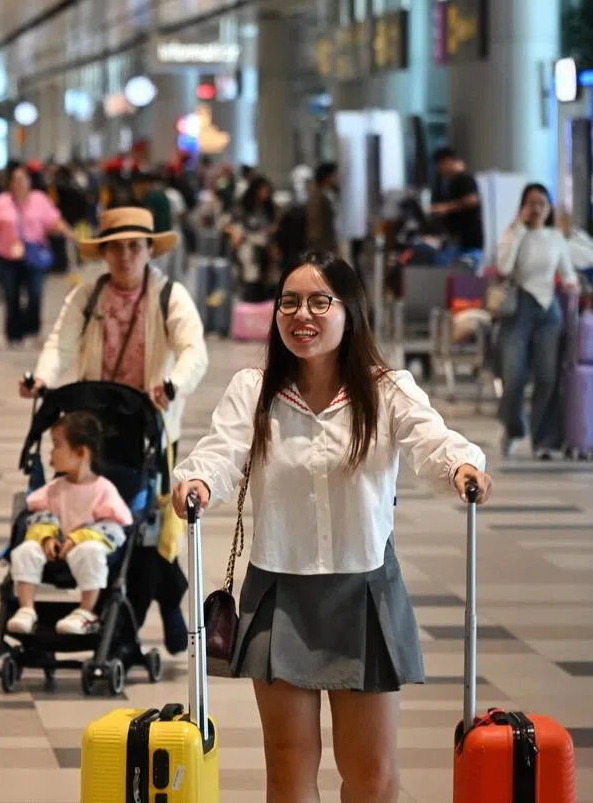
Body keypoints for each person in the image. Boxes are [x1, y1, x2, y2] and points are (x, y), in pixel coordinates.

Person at [171, 252, 492, 803]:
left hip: (364, 592)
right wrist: (197, 481)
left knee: (372, 775)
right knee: (288, 768)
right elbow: (221, 452)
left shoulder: (387, 390)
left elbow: (431, 439)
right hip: (279, 591)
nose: (302, 315)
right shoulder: (254, 389)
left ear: (350, 312)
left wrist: (461, 466)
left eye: (320, 302)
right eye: (289, 302)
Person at [24, 206, 208, 653]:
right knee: (104, 520)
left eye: (134, 247)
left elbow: (193, 349)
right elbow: (60, 342)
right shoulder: (88, 297)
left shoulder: (170, 296)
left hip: (151, 426)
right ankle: (141, 610)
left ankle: (155, 609)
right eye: (116, 248)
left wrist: (173, 384)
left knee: (151, 527)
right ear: (103, 253)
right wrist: (42, 378)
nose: (126, 256)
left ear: (149, 250)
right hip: (96, 427)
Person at [6, 412, 133, 637]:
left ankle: (86, 611)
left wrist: (79, 538)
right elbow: (40, 514)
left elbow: (114, 527)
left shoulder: (103, 490)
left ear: (81, 452)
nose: (51, 452)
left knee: (91, 551)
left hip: (85, 548)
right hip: (55, 548)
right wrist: (46, 536)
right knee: (26, 550)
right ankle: (26, 609)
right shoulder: (54, 488)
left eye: (57, 445)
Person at [496, 183, 577, 459]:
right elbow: (504, 267)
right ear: (523, 207)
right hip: (519, 307)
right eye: (531, 203)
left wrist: (571, 283)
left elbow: (567, 271)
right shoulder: (514, 233)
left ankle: (544, 440)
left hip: (548, 309)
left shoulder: (555, 237)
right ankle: (514, 428)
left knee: (547, 377)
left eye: (542, 203)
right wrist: (518, 228)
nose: (537, 208)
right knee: (513, 377)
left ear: (549, 207)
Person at [0, 162, 72, 347]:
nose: (19, 184)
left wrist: (70, 234)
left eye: (23, 179)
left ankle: (32, 329)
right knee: (11, 295)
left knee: (35, 294)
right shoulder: (1, 202)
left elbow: (54, 221)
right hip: (8, 257)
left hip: (34, 255)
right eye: (15, 180)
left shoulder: (40, 200)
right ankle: (14, 334)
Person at [431, 147, 484, 262]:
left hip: (470, 238)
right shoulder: (446, 182)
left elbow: (473, 200)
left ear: (448, 161)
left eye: (440, 165)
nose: (439, 170)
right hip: (456, 237)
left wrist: (447, 208)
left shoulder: (465, 179)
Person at [305, 161, 340, 256]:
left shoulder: (331, 194)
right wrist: (318, 250)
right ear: (326, 177)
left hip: (331, 243)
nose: (337, 178)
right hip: (322, 247)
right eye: (334, 175)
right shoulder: (317, 197)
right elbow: (314, 226)